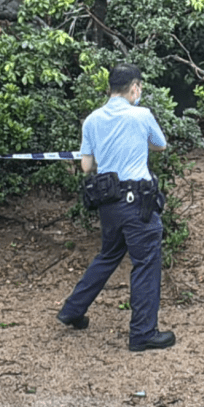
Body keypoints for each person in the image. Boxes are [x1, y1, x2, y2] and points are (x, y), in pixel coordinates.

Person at [56, 63, 176, 352]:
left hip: (108, 203)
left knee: (108, 256)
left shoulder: (92, 120)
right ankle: (143, 333)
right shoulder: (141, 115)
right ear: (134, 87)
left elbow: (86, 166)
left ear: (109, 88)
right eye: (140, 88)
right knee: (146, 263)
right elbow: (160, 145)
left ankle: (72, 311)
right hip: (139, 203)